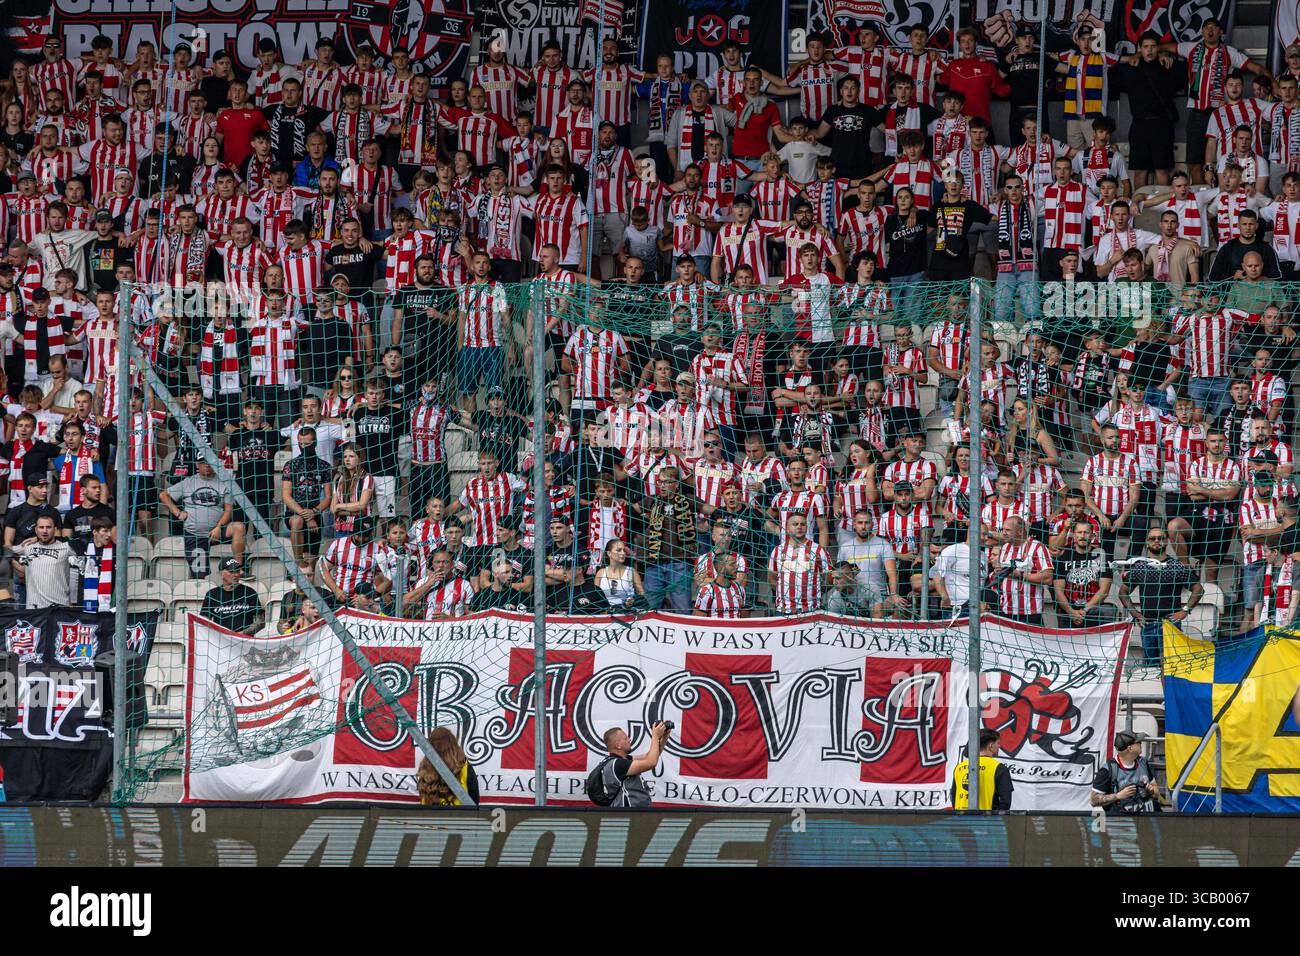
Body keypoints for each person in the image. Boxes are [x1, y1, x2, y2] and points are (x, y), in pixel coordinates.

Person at [590, 721, 672, 808]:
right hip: (629, 814)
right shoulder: (618, 764)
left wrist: (664, 736)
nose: (629, 739)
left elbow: (649, 756)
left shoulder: (621, 760)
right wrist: (655, 736)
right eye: (626, 738)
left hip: (636, 814)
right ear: (618, 746)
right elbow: (651, 762)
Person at [1090, 730, 1160, 814]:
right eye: (1138, 742)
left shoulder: (1143, 763)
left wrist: (1151, 790)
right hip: (1123, 824)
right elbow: (1093, 800)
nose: (1141, 743)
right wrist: (1118, 796)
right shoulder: (1107, 770)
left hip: (1148, 821)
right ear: (1130, 748)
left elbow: (1156, 791)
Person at [951, 728, 1014, 811]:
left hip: (961, 821)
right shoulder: (999, 768)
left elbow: (953, 798)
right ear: (990, 746)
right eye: (998, 743)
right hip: (986, 822)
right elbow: (1005, 803)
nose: (999, 746)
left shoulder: (959, 767)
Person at [416, 727, 479, 806]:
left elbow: (422, 794)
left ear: (430, 745)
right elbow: (475, 799)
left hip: (430, 816)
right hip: (460, 816)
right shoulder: (464, 766)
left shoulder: (424, 767)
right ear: (453, 744)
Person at [200, 559, 264, 634]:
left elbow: (261, 622)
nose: (236, 574)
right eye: (231, 571)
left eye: (237, 571)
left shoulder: (249, 592)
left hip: (244, 640)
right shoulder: (212, 594)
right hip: (220, 640)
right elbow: (203, 622)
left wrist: (241, 634)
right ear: (221, 573)